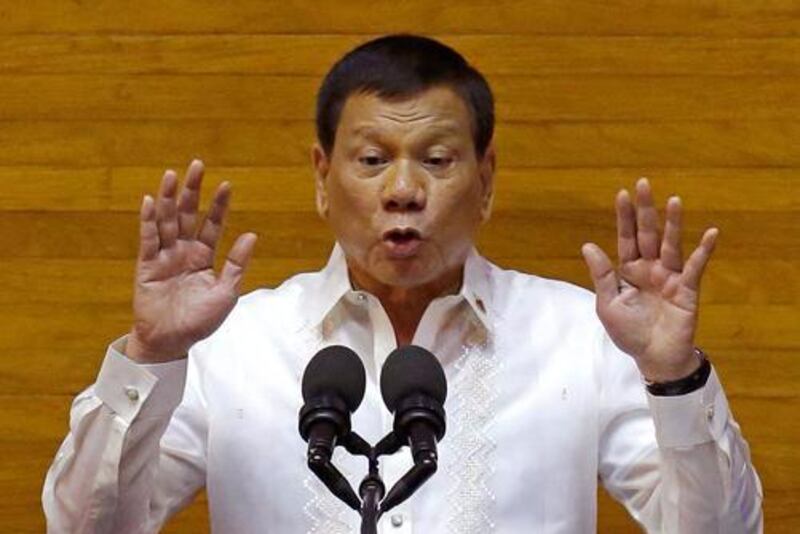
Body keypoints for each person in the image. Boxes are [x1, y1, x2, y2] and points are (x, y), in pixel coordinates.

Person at [42, 34, 763, 533]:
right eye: (372, 159)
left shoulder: (582, 336)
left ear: (485, 181)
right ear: (323, 180)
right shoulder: (232, 344)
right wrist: (152, 353)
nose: (403, 190)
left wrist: (673, 378)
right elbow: (81, 528)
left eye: (438, 160)